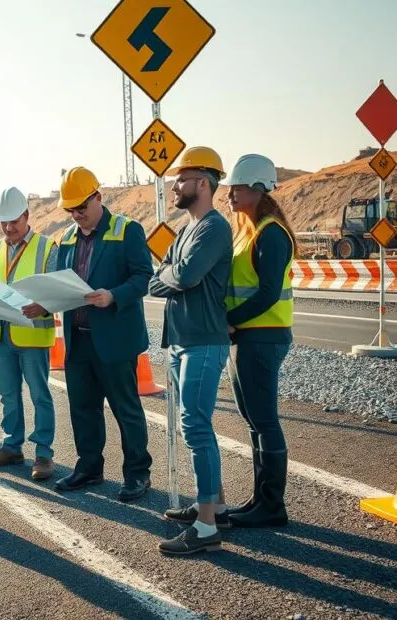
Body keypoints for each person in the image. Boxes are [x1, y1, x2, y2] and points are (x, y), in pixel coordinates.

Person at [51, 167, 155, 502]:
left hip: (114, 339)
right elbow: (59, 282)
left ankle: (138, 474)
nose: (76, 215)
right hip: (78, 338)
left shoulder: (127, 231)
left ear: (98, 197)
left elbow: (143, 278)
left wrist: (114, 296)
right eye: (71, 210)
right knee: (83, 408)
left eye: (81, 207)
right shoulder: (67, 238)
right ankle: (89, 468)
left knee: (126, 409)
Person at [148, 147, 233, 555]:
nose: (175, 186)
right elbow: (158, 280)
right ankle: (210, 504)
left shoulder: (214, 228)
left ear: (203, 183)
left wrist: (173, 277)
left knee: (197, 426)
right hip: (183, 341)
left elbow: (185, 274)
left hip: (203, 341)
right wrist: (173, 277)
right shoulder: (186, 230)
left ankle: (206, 528)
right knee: (192, 426)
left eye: (182, 179)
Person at [223, 154, 295, 527]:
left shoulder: (270, 232)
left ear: (257, 188)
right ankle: (259, 500)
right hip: (247, 337)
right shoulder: (249, 230)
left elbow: (267, 293)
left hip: (263, 337)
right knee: (253, 420)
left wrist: (229, 321)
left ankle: (272, 506)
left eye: (236, 187)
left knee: (264, 421)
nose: (230, 193)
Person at [0, 187, 58, 480]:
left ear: (27, 216)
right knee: (8, 395)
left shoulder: (46, 247)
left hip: (31, 335)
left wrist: (43, 306)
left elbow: (59, 290)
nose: (8, 228)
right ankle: (12, 446)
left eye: (13, 222)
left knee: (39, 395)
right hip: (1, 334)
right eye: (3, 223)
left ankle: (43, 454)